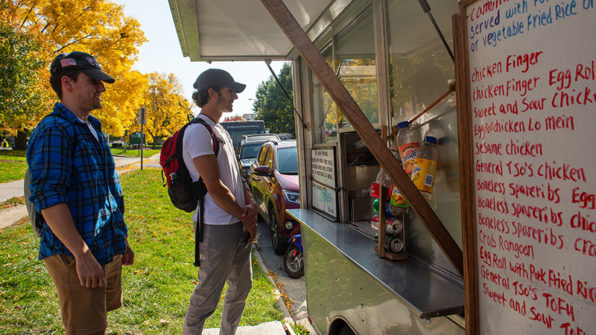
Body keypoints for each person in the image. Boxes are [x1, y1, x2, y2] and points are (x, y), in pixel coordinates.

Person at [26, 51, 134, 335]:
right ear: (67, 83)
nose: (102, 88)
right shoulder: (54, 130)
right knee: (86, 330)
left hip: (104, 248)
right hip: (74, 254)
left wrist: (119, 238)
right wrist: (81, 254)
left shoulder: (93, 127)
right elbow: (48, 197)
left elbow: (108, 190)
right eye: (94, 81)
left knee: (97, 320)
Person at [181, 68, 258, 334]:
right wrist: (244, 214)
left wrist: (250, 204)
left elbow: (236, 176)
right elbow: (214, 187)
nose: (235, 96)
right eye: (230, 90)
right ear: (212, 93)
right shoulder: (198, 132)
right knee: (206, 298)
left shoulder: (220, 129)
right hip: (216, 228)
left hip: (236, 224)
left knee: (240, 288)